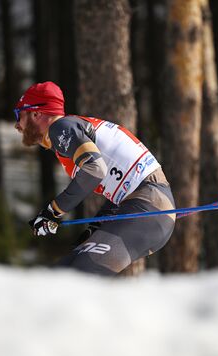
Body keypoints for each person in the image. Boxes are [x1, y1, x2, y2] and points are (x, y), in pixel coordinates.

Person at [14, 81, 176, 275]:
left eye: (19, 115)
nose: (17, 125)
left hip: (149, 207)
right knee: (61, 275)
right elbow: (120, 183)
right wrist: (98, 224)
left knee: (73, 278)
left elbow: (95, 170)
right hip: (145, 206)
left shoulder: (61, 127)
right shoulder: (69, 130)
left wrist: (53, 211)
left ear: (36, 113)